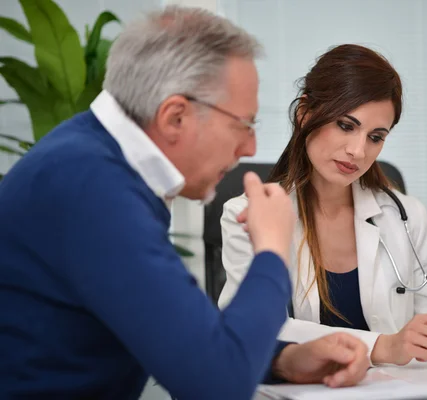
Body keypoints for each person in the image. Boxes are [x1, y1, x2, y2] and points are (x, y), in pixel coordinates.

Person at [0, 7, 370, 400]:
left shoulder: (93, 163)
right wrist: (273, 251)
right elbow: (216, 385)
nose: (250, 148)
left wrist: (284, 360)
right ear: (175, 117)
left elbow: (179, 334)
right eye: (243, 125)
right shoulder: (92, 189)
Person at [219, 44, 427, 366]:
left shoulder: (405, 214)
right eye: (346, 126)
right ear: (305, 113)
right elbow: (253, 330)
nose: (358, 151)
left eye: (376, 136)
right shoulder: (248, 215)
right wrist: (382, 347)